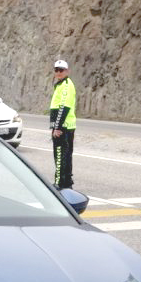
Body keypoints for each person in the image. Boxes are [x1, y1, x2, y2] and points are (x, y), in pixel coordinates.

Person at [49, 60, 76, 189]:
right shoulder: (60, 85)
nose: (58, 73)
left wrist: (57, 127)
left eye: (61, 70)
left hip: (63, 127)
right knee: (66, 155)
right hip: (65, 126)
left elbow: (63, 107)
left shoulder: (66, 85)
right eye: (56, 70)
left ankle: (59, 183)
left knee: (59, 155)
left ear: (67, 71)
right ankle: (67, 182)